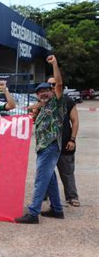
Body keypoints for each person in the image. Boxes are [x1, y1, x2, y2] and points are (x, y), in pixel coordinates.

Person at [16, 55, 66, 224]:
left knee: (40, 179)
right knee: (49, 177)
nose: (43, 93)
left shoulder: (57, 103)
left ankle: (33, 212)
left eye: (46, 90)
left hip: (50, 146)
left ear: (52, 92)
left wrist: (54, 64)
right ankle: (57, 210)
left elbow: (58, 83)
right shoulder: (42, 109)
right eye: (39, 92)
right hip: (44, 148)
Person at [47, 77, 80, 207]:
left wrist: (72, 139)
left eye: (54, 84)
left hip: (65, 142)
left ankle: (72, 197)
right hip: (48, 144)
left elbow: (75, 121)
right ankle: (44, 195)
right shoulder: (45, 101)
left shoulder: (68, 101)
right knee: (46, 171)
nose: (51, 87)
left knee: (67, 172)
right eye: (49, 84)